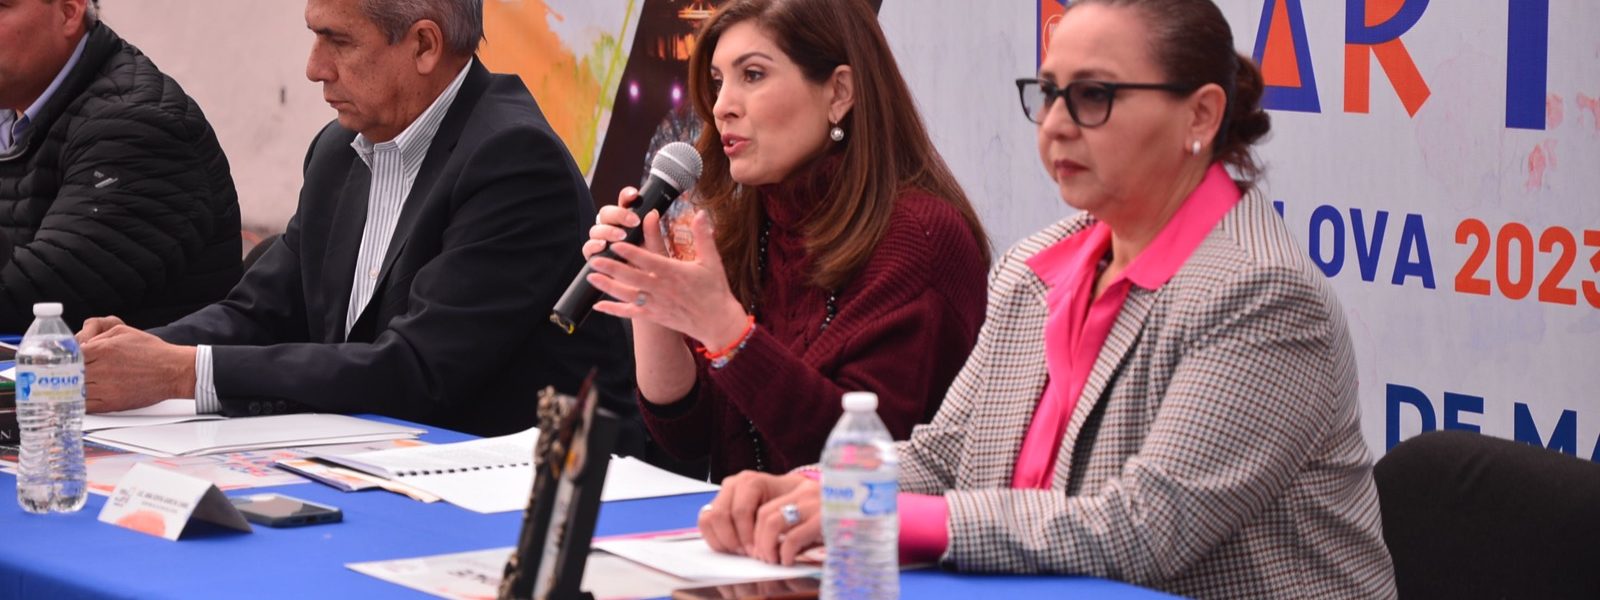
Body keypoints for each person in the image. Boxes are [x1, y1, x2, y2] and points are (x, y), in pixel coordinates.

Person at [701, 0, 1398, 597]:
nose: (1056, 125)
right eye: (1048, 93)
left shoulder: (1262, 295)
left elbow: (1142, 530)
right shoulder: (1036, 267)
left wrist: (880, 513)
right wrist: (812, 490)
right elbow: (947, 457)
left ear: (1201, 115)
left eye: (1092, 96)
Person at [73, 0, 639, 444]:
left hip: (527, 496)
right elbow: (261, 311)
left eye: (338, 41)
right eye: (314, 35)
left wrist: (180, 372)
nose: (314, 68)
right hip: (386, 467)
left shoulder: (513, 161)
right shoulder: (339, 150)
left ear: (423, 45)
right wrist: (128, 355)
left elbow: (417, 371)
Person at [582, 0, 990, 481]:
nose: (721, 106)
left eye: (752, 75)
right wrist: (650, 300)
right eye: (718, 81)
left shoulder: (921, 238)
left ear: (839, 92)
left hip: (867, 530)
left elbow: (863, 465)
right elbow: (688, 437)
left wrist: (729, 333)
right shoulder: (758, 220)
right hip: (747, 526)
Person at [0, 0, 241, 331]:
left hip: (110, 364)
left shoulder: (137, 125)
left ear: (68, 12)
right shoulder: (15, 113)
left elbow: (41, 295)